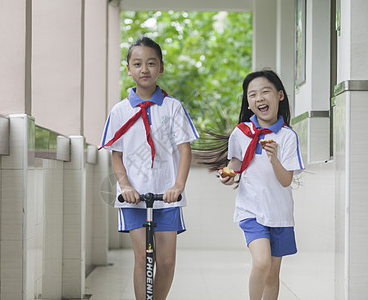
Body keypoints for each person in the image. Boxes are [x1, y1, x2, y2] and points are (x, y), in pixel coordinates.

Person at [99, 36, 199, 300]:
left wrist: (178, 186)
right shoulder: (119, 111)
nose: (145, 69)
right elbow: (116, 155)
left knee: (166, 263)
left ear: (161, 68)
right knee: (144, 259)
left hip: (167, 198)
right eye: (138, 63)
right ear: (129, 69)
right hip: (134, 199)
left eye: (151, 63)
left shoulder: (173, 107)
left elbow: (184, 149)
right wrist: (125, 186)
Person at [196, 70, 304, 300]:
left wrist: (274, 159)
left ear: (280, 96)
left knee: (273, 276)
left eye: (265, 92)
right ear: (249, 103)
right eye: (252, 95)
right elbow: (235, 163)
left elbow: (286, 181)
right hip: (251, 210)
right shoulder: (241, 132)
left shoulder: (287, 137)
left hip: (280, 213)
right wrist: (228, 175)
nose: (259, 98)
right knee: (262, 262)